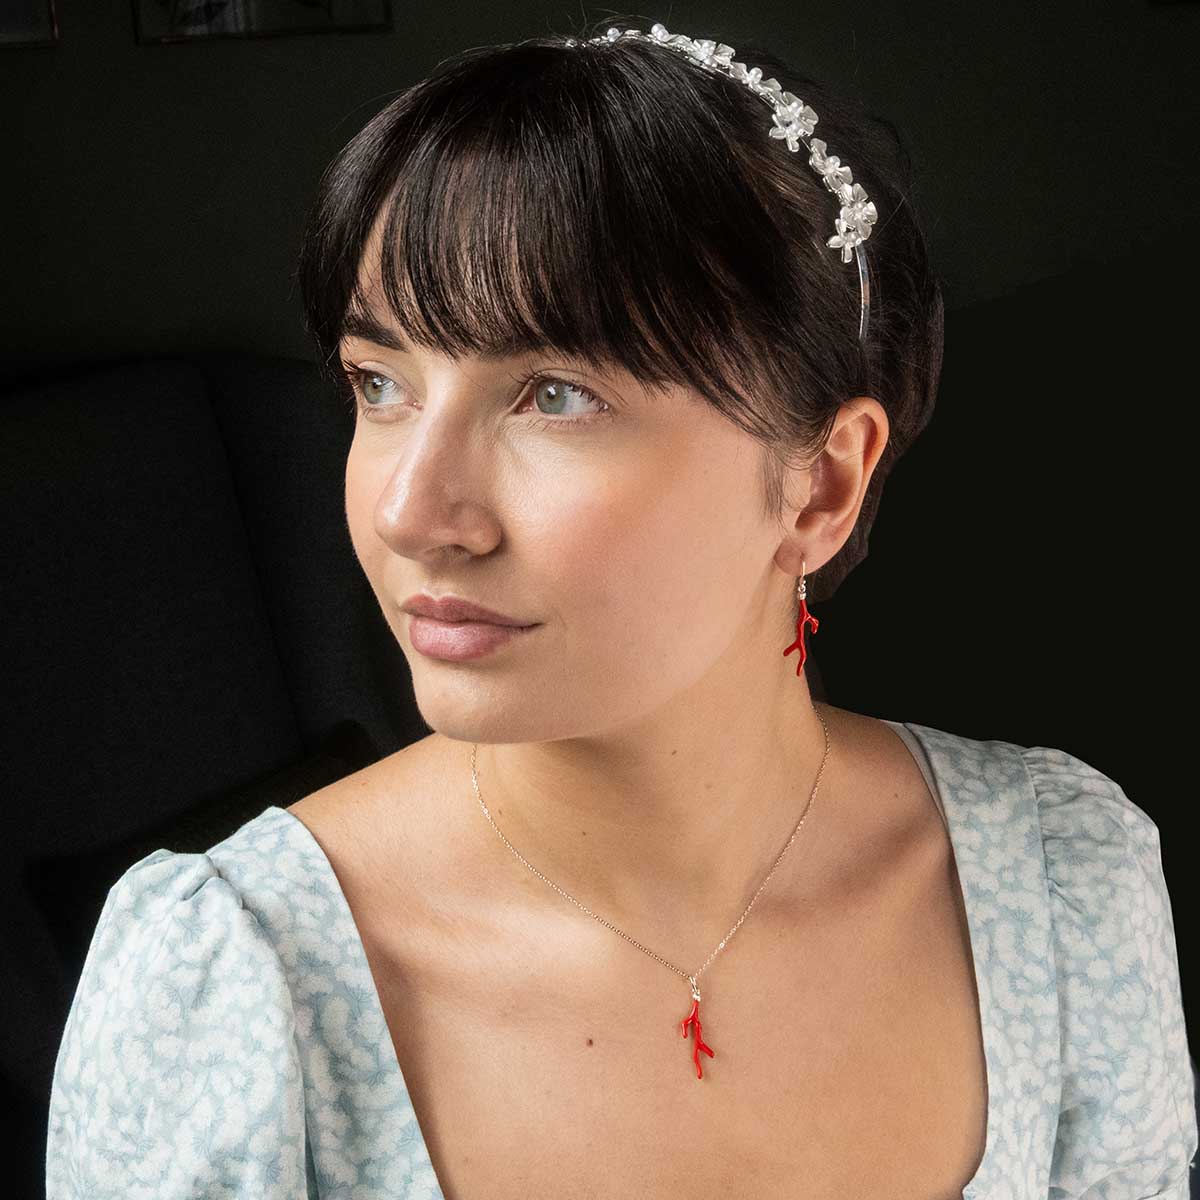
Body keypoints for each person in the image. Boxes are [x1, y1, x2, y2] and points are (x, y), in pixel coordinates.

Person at [45, 19, 1196, 1200]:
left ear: (821, 483)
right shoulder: (236, 983)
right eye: (378, 384)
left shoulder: (1062, 894)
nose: (412, 509)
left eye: (553, 395)